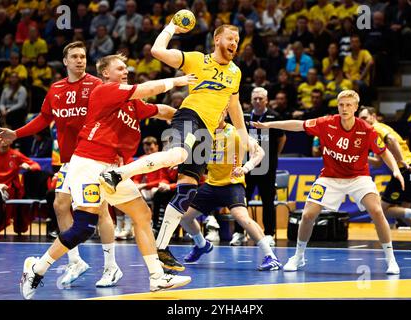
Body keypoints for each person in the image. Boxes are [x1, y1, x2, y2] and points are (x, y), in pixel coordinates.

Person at [19, 53, 196, 300]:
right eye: (120, 68)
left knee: (142, 214)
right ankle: (37, 269)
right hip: (89, 164)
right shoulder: (104, 91)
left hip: (114, 171)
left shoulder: (133, 103)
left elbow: (162, 110)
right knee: (82, 228)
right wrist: (177, 81)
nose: (125, 71)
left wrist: (192, 116)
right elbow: (147, 88)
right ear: (105, 73)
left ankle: (157, 277)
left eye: (127, 68)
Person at [99, 22, 249, 272]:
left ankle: (161, 247)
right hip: (190, 116)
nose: (235, 43)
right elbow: (157, 51)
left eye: (237, 39)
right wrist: (171, 28)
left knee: (187, 191)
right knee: (178, 153)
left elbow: (238, 117)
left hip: (208, 133)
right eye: (230, 38)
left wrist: (242, 151)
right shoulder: (197, 60)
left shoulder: (236, 72)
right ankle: (116, 174)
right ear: (217, 39)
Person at [0, 41, 119, 288]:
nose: (80, 60)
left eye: (83, 56)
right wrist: (16, 134)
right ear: (65, 61)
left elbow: (114, 116)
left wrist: (117, 151)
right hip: (71, 161)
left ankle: (111, 267)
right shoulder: (56, 89)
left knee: (101, 209)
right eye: (74, 56)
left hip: (96, 157)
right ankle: (75, 261)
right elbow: (43, 118)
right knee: (60, 204)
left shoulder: (96, 85)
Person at [253, 90, 402, 275]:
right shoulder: (326, 123)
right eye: (341, 105)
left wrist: (395, 169)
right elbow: (298, 125)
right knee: (307, 215)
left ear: (356, 107)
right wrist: (269, 124)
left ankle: (391, 260)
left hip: (358, 178)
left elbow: (384, 152)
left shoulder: (366, 129)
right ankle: (298, 256)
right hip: (329, 178)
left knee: (377, 211)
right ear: (337, 106)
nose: (345, 108)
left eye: (349, 105)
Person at [180, 110, 282, 271]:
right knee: (184, 217)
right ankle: (201, 245)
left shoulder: (235, 133)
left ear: (225, 113)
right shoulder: (204, 133)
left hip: (232, 184)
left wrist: (246, 167)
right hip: (211, 185)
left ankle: (271, 257)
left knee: (241, 217)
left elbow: (260, 152)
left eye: (218, 112)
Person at [358, 106, 411, 253]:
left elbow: (392, 139)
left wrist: (401, 162)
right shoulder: (373, 135)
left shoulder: (376, 128)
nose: (362, 121)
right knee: (404, 211)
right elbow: (377, 162)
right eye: (360, 119)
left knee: (382, 209)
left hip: (406, 169)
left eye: (364, 118)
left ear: (373, 117)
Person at [232, 87, 286, 246]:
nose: (257, 101)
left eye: (260, 98)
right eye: (255, 98)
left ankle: (269, 234)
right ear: (251, 100)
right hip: (246, 166)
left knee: (268, 201)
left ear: (266, 100)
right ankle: (239, 233)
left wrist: (273, 154)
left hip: (267, 167)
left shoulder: (273, 117)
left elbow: (282, 139)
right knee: (241, 200)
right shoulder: (245, 116)